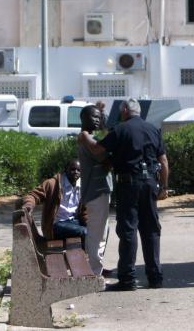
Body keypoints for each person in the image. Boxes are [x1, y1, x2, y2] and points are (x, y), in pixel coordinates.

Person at [79, 98, 169, 291]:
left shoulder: (120, 129)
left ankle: (128, 279)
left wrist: (84, 135)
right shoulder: (153, 129)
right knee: (151, 230)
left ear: (126, 110)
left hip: (129, 184)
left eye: (121, 111)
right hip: (151, 183)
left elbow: (97, 149)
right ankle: (155, 278)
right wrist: (164, 186)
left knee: (128, 230)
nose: (121, 114)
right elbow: (164, 160)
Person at [78, 105, 113, 277]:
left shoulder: (92, 137)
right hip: (95, 192)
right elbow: (103, 158)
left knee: (102, 234)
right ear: (83, 118)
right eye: (94, 116)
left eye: (100, 117)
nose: (98, 120)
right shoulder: (85, 137)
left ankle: (95, 268)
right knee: (96, 234)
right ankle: (93, 272)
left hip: (100, 192)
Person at [21, 159, 87, 242]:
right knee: (85, 232)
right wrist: (29, 204)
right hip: (57, 225)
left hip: (74, 221)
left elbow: (85, 211)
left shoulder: (83, 187)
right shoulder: (52, 184)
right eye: (73, 169)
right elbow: (33, 195)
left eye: (79, 170)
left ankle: (88, 253)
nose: (76, 172)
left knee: (97, 230)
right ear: (65, 169)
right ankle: (87, 255)